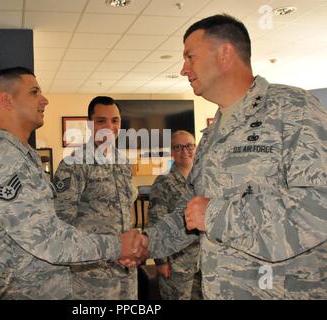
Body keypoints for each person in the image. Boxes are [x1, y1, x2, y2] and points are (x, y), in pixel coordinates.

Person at [135, 14, 327, 299]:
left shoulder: (293, 108)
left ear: (225, 54)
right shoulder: (212, 134)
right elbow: (190, 211)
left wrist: (214, 214)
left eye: (190, 57)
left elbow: (318, 207)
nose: (183, 69)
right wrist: (146, 242)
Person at [0, 68, 148, 300]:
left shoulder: (25, 158)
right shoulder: (5, 162)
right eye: (34, 92)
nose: (45, 100)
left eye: (115, 120)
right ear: (7, 100)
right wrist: (117, 246)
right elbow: (47, 238)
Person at [53, 96, 138, 300]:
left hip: (126, 269)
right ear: (90, 124)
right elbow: (61, 223)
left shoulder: (123, 163)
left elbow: (128, 211)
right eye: (101, 121)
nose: (109, 126)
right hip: (92, 274)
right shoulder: (74, 164)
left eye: (115, 120)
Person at [148, 130, 202, 300]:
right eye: (178, 147)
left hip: (204, 261)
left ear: (196, 148)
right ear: (172, 152)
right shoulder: (164, 182)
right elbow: (155, 223)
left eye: (189, 146)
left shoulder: (203, 178)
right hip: (176, 264)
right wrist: (161, 261)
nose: (184, 151)